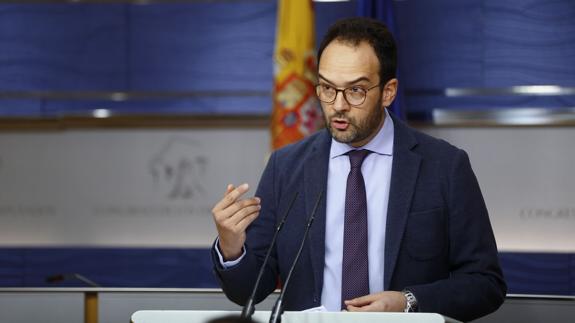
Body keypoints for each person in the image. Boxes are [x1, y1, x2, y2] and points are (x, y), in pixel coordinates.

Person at [211, 17, 506, 322]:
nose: (338, 104)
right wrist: (232, 249)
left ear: (388, 92)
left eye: (356, 91)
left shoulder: (444, 166)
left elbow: (485, 283)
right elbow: (248, 291)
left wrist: (407, 302)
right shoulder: (286, 166)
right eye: (327, 88)